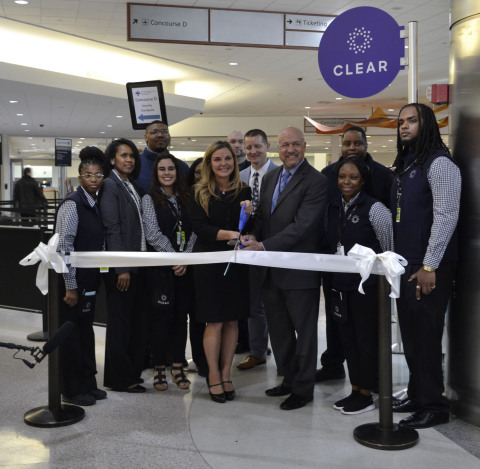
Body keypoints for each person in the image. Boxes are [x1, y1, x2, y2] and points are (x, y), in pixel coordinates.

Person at [241, 126, 328, 410]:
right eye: (285, 145)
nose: (290, 150)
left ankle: (303, 389)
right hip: (271, 271)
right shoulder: (271, 178)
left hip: (299, 271)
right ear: (278, 148)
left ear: (304, 146)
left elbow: (302, 227)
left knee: (304, 333)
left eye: (295, 145)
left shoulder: (316, 181)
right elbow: (265, 217)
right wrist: (252, 234)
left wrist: (264, 246)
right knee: (279, 332)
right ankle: (289, 379)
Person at [390, 103, 461, 429]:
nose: (404, 126)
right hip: (406, 266)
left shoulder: (441, 164)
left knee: (427, 338)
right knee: (412, 336)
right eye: (401, 121)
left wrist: (430, 266)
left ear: (426, 123)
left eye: (411, 121)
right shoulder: (406, 165)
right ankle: (418, 394)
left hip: (430, 267)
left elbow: (447, 216)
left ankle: (434, 405)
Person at [316, 126, 394, 383]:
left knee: (366, 330)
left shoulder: (383, 177)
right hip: (335, 266)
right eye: (347, 143)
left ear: (365, 145)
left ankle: (370, 382)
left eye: (357, 143)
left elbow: (388, 238)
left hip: (368, 274)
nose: (352, 147)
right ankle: (337, 366)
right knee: (339, 322)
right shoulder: (327, 175)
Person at [326, 156, 393, 415]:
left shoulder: (375, 209)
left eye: (353, 177)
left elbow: (389, 248)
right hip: (342, 286)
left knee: (366, 340)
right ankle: (355, 389)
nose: (346, 182)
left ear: (363, 181)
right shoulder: (334, 207)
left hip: (369, 289)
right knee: (348, 339)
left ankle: (367, 393)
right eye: (342, 177)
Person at [191, 140, 251, 403]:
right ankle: (213, 374)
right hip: (209, 264)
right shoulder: (199, 192)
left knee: (232, 321)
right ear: (209, 164)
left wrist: (250, 220)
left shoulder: (244, 191)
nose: (224, 163)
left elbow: (252, 227)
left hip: (237, 264)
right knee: (213, 321)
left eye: (228, 158)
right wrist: (232, 234)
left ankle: (226, 374)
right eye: (217, 159)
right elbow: (199, 228)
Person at [55, 146, 107, 407]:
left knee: (86, 332)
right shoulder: (72, 205)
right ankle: (71, 389)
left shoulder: (95, 204)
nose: (94, 179)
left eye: (98, 175)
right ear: (80, 177)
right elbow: (64, 247)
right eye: (89, 175)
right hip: (73, 283)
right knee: (72, 335)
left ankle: (88, 382)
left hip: (90, 280)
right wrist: (71, 286)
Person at [142, 153, 197, 391]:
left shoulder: (188, 197)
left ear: (178, 172)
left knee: (180, 319)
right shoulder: (149, 199)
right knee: (161, 319)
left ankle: (177, 366)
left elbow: (196, 229)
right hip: (162, 269)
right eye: (162, 169)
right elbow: (152, 233)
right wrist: (175, 258)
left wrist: (185, 258)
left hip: (185, 269)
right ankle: (159, 369)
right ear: (156, 173)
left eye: (171, 169)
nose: (167, 173)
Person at [99, 138, 147, 393]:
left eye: (132, 156)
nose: (129, 160)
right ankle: (119, 379)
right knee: (120, 325)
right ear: (112, 159)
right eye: (124, 155)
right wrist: (122, 268)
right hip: (123, 269)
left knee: (133, 323)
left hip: (137, 265)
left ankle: (129, 373)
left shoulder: (131, 185)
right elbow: (112, 228)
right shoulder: (110, 185)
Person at [237, 129, 277, 370]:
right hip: (247, 249)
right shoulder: (239, 176)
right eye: (248, 147)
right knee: (254, 303)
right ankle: (258, 351)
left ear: (267, 146)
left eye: (257, 147)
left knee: (277, 303)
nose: (252, 152)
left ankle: (283, 351)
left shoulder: (280, 174)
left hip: (275, 247)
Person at [136, 120, 189, 193]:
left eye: (165, 132)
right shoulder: (135, 165)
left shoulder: (182, 166)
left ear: (169, 137)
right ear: (146, 138)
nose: (160, 135)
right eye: (154, 132)